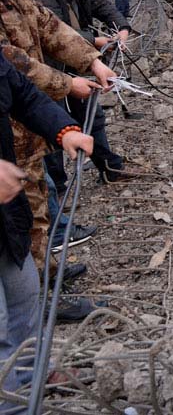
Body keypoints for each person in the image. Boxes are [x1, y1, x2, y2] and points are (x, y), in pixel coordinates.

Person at [0, 0, 116, 272]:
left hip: (29, 123)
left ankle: (45, 274)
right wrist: (67, 83)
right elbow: (13, 63)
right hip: (8, 129)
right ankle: (35, 293)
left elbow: (52, 30)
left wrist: (93, 62)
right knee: (23, 210)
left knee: (37, 202)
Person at [0, 51, 94, 408]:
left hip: (6, 218)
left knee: (25, 299)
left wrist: (63, 129)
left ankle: (31, 380)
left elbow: (21, 92)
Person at [27, 0, 133, 186]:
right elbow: (55, 30)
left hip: (74, 57)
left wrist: (123, 28)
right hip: (46, 64)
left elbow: (100, 4)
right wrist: (95, 41)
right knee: (51, 121)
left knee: (90, 113)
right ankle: (59, 185)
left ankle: (109, 168)